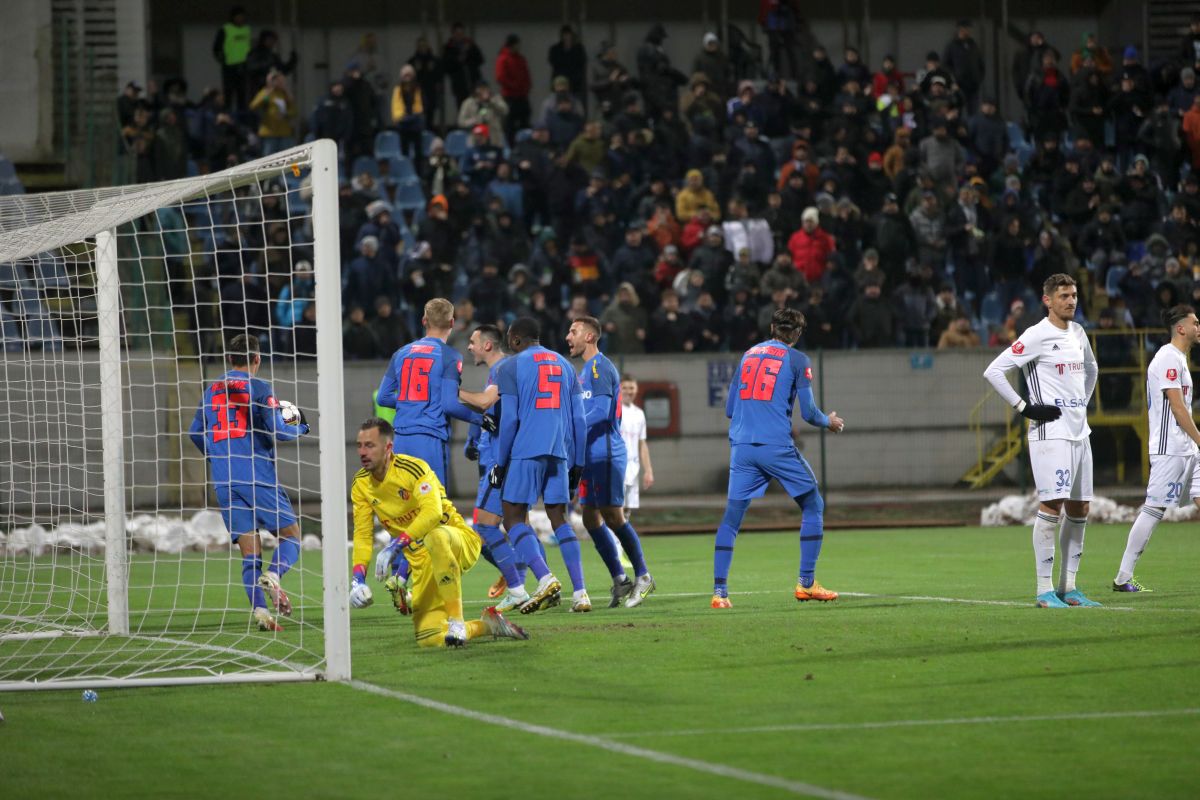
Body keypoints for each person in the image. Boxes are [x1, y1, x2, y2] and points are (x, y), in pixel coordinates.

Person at [348, 418, 529, 648]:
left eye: (370, 445)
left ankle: (456, 621)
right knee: (430, 639)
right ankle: (490, 625)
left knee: (435, 536)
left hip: (457, 540)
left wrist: (395, 546)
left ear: (388, 448)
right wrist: (358, 580)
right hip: (422, 564)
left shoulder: (414, 469)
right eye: (359, 445)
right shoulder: (360, 485)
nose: (362, 452)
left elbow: (432, 513)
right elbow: (363, 534)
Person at [712, 308, 845, 608]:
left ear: (771, 327)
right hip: (776, 447)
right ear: (798, 334)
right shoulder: (798, 360)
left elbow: (730, 409)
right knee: (813, 504)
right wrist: (830, 421)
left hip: (742, 447)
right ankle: (806, 584)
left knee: (731, 519)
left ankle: (720, 593)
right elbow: (809, 414)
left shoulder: (747, 355)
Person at [983, 274, 1100, 608]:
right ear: (1047, 300)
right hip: (1050, 433)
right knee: (1052, 506)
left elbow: (1092, 370)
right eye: (1064, 296)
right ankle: (1043, 590)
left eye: (1074, 295)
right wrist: (1025, 408)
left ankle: (1069, 587)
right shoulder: (1036, 335)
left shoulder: (1078, 333)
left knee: (1080, 508)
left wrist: (1082, 404)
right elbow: (994, 370)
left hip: (1080, 431)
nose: (1071, 301)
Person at [187, 334, 308, 632]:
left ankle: (262, 614)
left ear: (230, 359)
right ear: (257, 359)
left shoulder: (211, 389)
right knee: (291, 537)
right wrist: (301, 426)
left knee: (249, 554)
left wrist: (217, 456)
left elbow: (194, 432)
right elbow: (280, 431)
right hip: (256, 474)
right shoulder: (259, 387)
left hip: (225, 480)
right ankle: (275, 575)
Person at [483, 317, 584, 615]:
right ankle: (581, 593)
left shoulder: (509, 367)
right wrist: (577, 463)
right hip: (560, 451)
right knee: (558, 517)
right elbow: (579, 419)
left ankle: (545, 578)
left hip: (527, 449)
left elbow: (511, 419)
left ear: (515, 340)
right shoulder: (565, 365)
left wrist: (501, 463)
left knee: (512, 518)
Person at [566, 317, 656, 610]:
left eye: (574, 331)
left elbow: (603, 411)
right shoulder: (583, 373)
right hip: (590, 455)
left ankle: (643, 576)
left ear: (590, 336)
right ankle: (620, 578)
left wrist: (569, 423)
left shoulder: (600, 367)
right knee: (590, 518)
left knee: (614, 516)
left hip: (605, 452)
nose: (568, 336)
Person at [1113, 306, 1200, 593]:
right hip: (1169, 449)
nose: (1199, 327)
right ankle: (1123, 577)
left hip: (1188, 448)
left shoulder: (1179, 359)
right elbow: (1176, 407)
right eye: (1195, 323)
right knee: (1154, 509)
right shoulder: (1166, 358)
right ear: (1181, 328)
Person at [376, 298, 487, 484]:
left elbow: (383, 397)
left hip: (401, 440)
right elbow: (450, 405)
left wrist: (410, 401)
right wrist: (479, 419)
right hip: (429, 440)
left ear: (424, 321)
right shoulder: (450, 356)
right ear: (452, 322)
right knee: (434, 507)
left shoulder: (401, 353)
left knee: (403, 508)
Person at [619, 374, 654, 522]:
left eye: (631, 387)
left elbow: (642, 443)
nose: (628, 391)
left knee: (627, 509)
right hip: (617, 464)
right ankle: (614, 543)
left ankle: (619, 541)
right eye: (625, 388)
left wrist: (648, 470)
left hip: (633, 466)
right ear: (619, 389)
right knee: (616, 507)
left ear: (637, 389)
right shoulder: (615, 410)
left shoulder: (639, 414)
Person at [212, 6, 251, 112]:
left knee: (242, 94)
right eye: (238, 17)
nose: (240, 19)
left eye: (242, 17)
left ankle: (241, 117)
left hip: (243, 66)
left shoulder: (246, 30)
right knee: (229, 92)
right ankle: (227, 114)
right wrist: (222, 59)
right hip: (229, 66)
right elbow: (216, 47)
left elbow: (248, 46)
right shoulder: (226, 29)